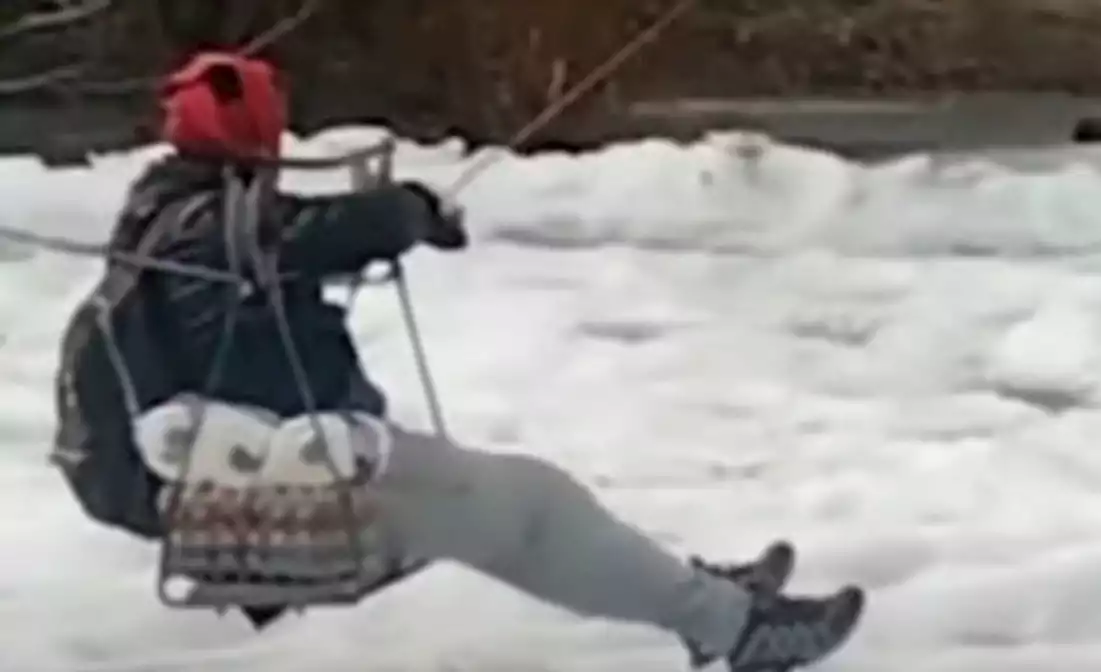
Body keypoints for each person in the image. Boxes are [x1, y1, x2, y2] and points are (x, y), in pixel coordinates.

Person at [50, 50, 866, 671]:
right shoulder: (204, 221)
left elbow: (283, 246)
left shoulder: (170, 209)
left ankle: (705, 599)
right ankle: (736, 628)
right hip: (285, 502)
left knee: (531, 509)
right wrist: (404, 212)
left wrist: (388, 223)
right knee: (536, 511)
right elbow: (310, 234)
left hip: (281, 472)